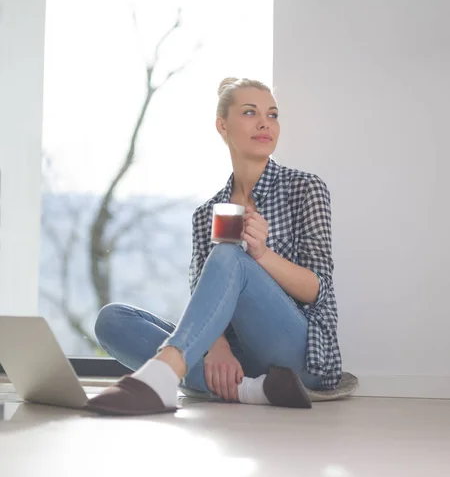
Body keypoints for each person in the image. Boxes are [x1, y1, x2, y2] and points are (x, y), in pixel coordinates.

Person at [86, 77, 342, 416]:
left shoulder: (305, 189)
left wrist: (262, 255)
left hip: (299, 354)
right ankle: (253, 391)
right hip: (239, 360)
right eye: (250, 113)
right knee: (112, 320)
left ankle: (167, 374)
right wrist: (216, 345)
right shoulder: (207, 213)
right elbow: (204, 294)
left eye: (273, 114)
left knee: (229, 253)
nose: (265, 122)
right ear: (223, 125)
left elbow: (317, 290)